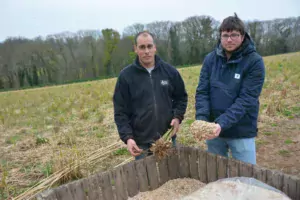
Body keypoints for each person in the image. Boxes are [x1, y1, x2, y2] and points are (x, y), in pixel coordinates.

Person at [195, 13, 265, 165]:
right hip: (214, 131)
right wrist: (202, 120)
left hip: (241, 131)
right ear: (220, 36)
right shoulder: (210, 59)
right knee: (217, 173)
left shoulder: (254, 62)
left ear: (242, 36)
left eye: (234, 35)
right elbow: (202, 92)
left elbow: (246, 100)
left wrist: (222, 123)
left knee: (246, 176)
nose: (229, 39)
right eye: (225, 35)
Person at [113, 31, 188, 159]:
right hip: (140, 143)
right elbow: (120, 112)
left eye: (149, 46)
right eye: (142, 47)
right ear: (135, 49)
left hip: (167, 138)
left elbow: (181, 97)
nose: (146, 51)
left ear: (155, 48)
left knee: (172, 177)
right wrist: (128, 138)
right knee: (146, 178)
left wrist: (177, 117)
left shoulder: (170, 72)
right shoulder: (126, 77)